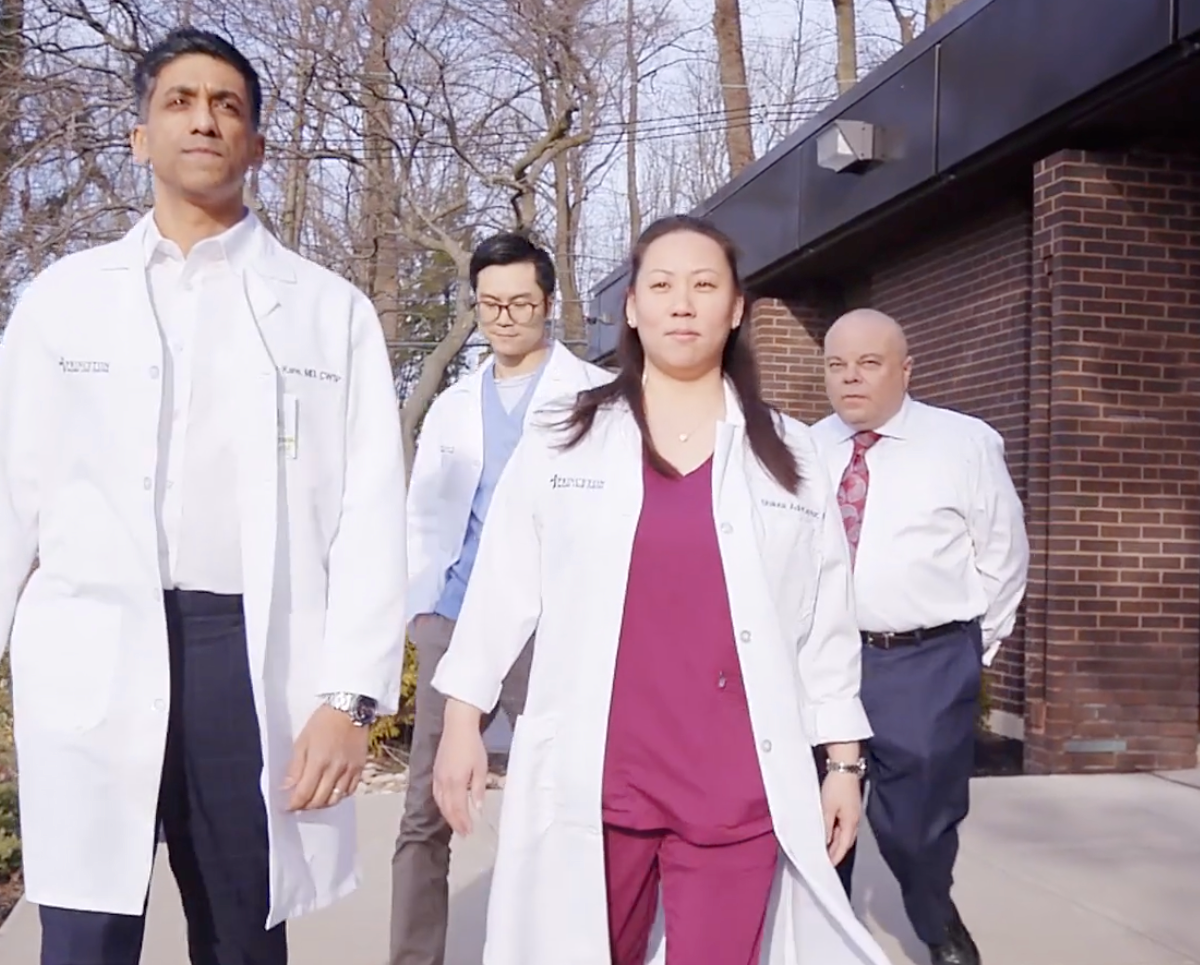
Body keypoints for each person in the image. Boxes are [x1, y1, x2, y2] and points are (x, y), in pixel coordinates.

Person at [0, 27, 408, 965]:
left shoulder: (327, 311)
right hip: (94, 643)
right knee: (86, 933)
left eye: (227, 105)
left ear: (255, 143)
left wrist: (349, 697)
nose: (205, 120)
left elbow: (372, 515)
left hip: (249, 656)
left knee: (243, 935)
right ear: (140, 137)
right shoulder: (64, 301)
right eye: (179, 101)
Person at [428, 214, 891, 965]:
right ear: (633, 308)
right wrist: (461, 721)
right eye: (662, 285)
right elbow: (501, 587)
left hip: (734, 784)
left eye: (704, 285)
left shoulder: (791, 453)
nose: (683, 303)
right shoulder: (564, 437)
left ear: (735, 307)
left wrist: (841, 762)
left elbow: (823, 627)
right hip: (600, 776)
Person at [393, 232, 612, 965]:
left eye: (521, 302)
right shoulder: (455, 405)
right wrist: (419, 611)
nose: (505, 316)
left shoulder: (591, 398)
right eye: (490, 303)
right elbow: (424, 515)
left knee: (560, 801)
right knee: (424, 813)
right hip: (454, 622)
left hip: (549, 626)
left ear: (548, 303)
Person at [816, 308, 1029, 965]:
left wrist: (969, 649)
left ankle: (936, 922)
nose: (849, 378)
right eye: (835, 365)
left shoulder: (963, 443)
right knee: (821, 813)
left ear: (905, 369)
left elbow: (1004, 554)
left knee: (914, 828)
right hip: (826, 660)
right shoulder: (803, 447)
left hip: (925, 660)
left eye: (867, 363)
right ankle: (830, 936)